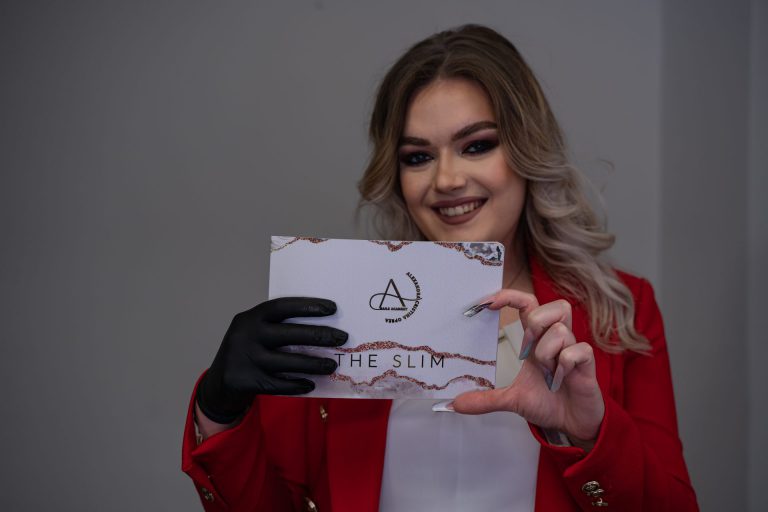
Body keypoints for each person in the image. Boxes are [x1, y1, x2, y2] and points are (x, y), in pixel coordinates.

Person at [182, 24, 698, 511]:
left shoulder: (620, 310)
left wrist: (589, 434)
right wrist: (219, 409)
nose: (447, 179)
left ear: (527, 150)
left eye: (477, 145)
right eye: (418, 156)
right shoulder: (340, 318)